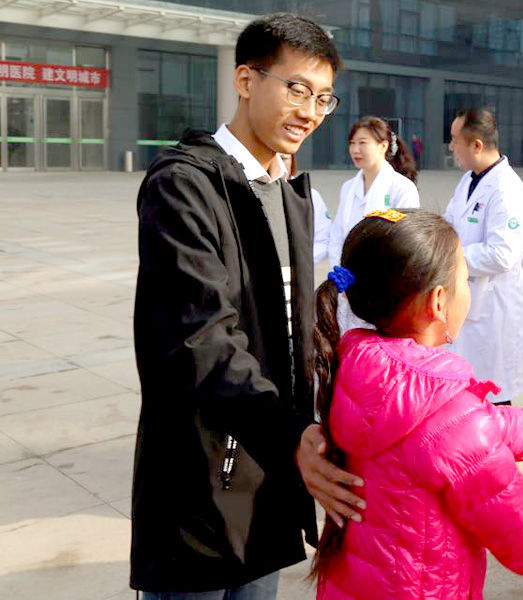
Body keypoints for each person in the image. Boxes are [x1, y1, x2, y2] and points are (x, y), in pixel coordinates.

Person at [308, 209, 523, 600]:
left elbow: (482, 427)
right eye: (464, 279)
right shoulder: (443, 409)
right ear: (438, 301)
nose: (468, 289)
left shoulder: (357, 366)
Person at [131, 13, 364, 599]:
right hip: (203, 466)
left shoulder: (287, 192)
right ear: (244, 80)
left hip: (270, 465)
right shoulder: (185, 184)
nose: (310, 111)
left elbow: (289, 326)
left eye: (324, 98)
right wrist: (292, 434)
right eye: (297, 89)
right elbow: (201, 339)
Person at [442, 107, 523, 405]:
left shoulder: (507, 191)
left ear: (476, 145)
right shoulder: (469, 181)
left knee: (490, 402)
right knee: (460, 398)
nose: (451, 147)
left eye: (455, 139)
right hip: (463, 304)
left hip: (490, 314)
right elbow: (449, 225)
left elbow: (502, 254)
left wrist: (448, 259)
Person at [328, 116, 419, 268]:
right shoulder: (348, 188)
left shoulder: (402, 188)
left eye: (362, 143)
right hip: (347, 272)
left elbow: (405, 240)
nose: (355, 150)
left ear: (383, 146)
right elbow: (337, 237)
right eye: (352, 143)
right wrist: (339, 270)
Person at [280, 153, 331, 265]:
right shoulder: (252, 192)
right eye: (273, 158)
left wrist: (298, 261)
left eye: (283, 159)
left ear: (292, 161)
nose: (278, 164)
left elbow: (323, 240)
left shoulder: (310, 195)